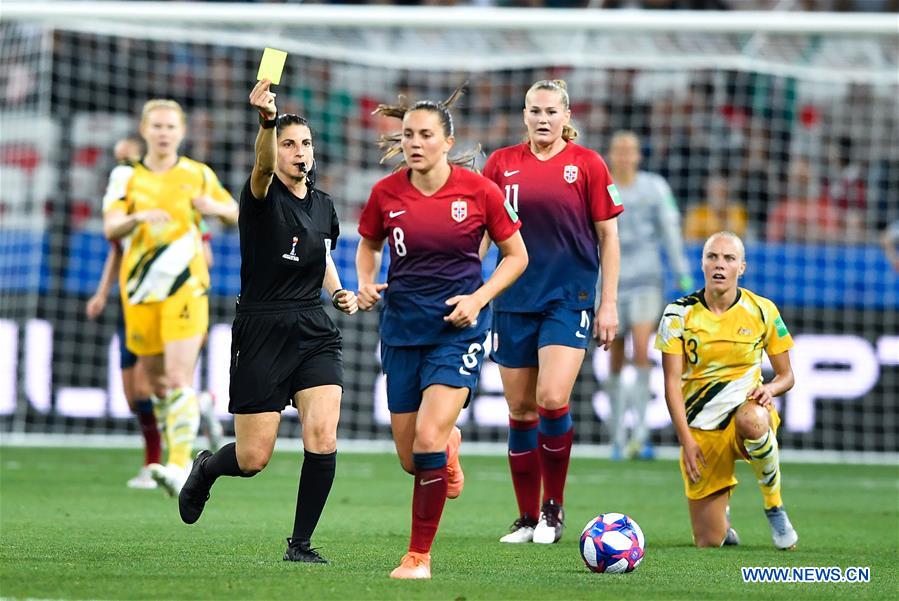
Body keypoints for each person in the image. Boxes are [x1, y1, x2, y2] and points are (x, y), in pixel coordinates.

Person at [176, 80, 358, 565]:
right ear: (274, 152)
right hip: (261, 328)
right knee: (253, 459)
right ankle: (208, 470)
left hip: (313, 329)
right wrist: (266, 121)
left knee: (323, 435)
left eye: (305, 143)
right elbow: (259, 164)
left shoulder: (324, 206)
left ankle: (300, 545)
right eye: (288, 144)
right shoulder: (259, 196)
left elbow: (322, 255)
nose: (300, 152)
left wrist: (337, 290)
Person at [356, 85, 527, 579]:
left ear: (447, 141)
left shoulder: (480, 192)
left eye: (425, 134)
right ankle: (448, 448)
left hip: (460, 329)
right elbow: (368, 245)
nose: (414, 142)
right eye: (408, 134)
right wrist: (365, 282)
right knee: (415, 459)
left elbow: (517, 256)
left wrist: (477, 299)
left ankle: (418, 556)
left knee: (426, 440)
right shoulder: (386, 193)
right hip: (402, 327)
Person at [482, 79, 621, 545]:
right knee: (520, 411)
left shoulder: (588, 165)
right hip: (513, 299)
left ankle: (553, 508)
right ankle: (525, 518)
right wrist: (469, 282)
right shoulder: (500, 164)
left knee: (551, 397)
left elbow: (609, 238)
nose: (543, 119)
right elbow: (485, 232)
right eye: (535, 111)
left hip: (569, 299)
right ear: (524, 115)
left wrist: (608, 303)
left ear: (566, 116)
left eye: (551, 111)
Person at [103, 100, 239, 497]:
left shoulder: (197, 174)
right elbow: (110, 224)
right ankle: (193, 416)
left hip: (185, 287)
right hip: (141, 292)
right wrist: (137, 219)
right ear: (144, 131)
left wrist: (212, 207)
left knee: (178, 377)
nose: (164, 133)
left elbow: (235, 211)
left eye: (170, 126)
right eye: (157, 126)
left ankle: (180, 465)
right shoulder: (125, 178)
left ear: (181, 133)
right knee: (157, 385)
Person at [655, 231, 799, 550]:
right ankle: (723, 521)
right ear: (703, 264)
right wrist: (687, 439)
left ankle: (774, 506)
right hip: (702, 429)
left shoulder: (762, 310)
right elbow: (670, 383)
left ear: (742, 267)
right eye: (713, 257)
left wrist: (771, 389)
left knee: (754, 421)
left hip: (744, 414)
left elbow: (787, 376)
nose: (720, 265)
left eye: (729, 258)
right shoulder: (677, 313)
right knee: (709, 541)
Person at [602, 130, 693, 461]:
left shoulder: (654, 188)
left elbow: (670, 230)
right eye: (619, 149)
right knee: (613, 352)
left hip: (646, 280)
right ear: (611, 154)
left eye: (631, 150)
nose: (625, 155)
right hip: (609, 282)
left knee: (642, 347)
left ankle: (640, 433)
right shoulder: (599, 185)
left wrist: (682, 271)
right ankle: (616, 434)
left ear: (639, 155)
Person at [87, 135, 160, 489]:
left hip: (156, 299)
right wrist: (102, 293)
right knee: (133, 397)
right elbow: (116, 251)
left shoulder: (160, 198)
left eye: (126, 159)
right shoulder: (124, 213)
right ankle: (200, 405)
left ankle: (156, 463)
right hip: (126, 300)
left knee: (146, 389)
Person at [683, 173, 748, 241]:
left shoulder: (737, 211)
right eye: (714, 192)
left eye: (722, 193)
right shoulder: (697, 212)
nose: (717, 197)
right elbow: (690, 241)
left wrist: (722, 217)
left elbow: (740, 238)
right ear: (707, 193)